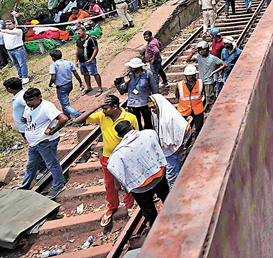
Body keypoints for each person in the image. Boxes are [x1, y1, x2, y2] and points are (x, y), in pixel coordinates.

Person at [74, 94, 139, 226]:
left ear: (115, 107)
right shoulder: (101, 116)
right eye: (102, 108)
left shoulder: (130, 118)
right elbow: (77, 121)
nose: (103, 111)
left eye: (106, 108)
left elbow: (136, 135)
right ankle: (112, 207)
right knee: (109, 184)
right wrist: (97, 107)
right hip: (108, 157)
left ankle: (129, 204)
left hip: (125, 156)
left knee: (127, 181)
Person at [107, 121, 169, 228]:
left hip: (139, 186)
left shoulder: (117, 153)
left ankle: (157, 229)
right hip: (157, 175)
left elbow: (113, 168)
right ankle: (174, 217)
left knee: (148, 210)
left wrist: (118, 185)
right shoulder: (149, 133)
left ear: (119, 135)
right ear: (132, 126)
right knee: (167, 198)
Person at [19, 88, 68, 198]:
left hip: (45, 142)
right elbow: (28, 119)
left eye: (31, 100)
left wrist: (52, 131)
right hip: (34, 143)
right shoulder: (29, 106)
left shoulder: (46, 107)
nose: (28, 103)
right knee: (31, 166)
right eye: (26, 101)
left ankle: (58, 186)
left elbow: (63, 119)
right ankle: (23, 187)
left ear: (39, 97)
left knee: (52, 164)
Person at [148, 94, 190, 188]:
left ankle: (175, 195)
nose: (152, 110)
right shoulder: (157, 115)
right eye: (150, 108)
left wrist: (179, 146)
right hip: (166, 150)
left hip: (173, 150)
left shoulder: (170, 117)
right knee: (174, 172)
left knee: (172, 176)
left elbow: (185, 129)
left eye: (154, 107)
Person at [120, 57, 159, 130]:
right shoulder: (128, 75)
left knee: (148, 122)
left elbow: (154, 88)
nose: (130, 68)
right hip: (132, 103)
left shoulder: (148, 74)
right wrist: (125, 82)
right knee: (136, 123)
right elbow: (122, 89)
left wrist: (155, 102)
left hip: (145, 103)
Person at [48, 49, 83, 119]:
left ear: (53, 58)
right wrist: (80, 82)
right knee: (64, 102)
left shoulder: (53, 65)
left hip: (61, 87)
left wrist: (50, 83)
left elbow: (53, 77)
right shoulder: (69, 63)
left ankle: (78, 115)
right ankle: (67, 116)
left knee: (65, 105)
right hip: (69, 84)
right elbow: (75, 73)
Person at [189, 41, 225, 108]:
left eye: (203, 49)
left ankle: (210, 111)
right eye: (200, 50)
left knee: (209, 98)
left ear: (207, 49)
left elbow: (224, 64)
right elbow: (187, 60)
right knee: (204, 96)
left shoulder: (212, 58)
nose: (201, 51)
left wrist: (214, 72)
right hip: (201, 81)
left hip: (209, 81)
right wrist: (192, 53)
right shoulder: (198, 57)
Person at [176, 64, 204, 135]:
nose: (191, 77)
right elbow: (177, 96)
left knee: (199, 128)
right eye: (189, 75)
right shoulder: (179, 85)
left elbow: (203, 94)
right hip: (184, 110)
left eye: (192, 75)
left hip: (197, 110)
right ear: (185, 75)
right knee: (184, 129)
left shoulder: (200, 83)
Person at [75, 25, 103, 95]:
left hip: (89, 61)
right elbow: (77, 50)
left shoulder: (91, 39)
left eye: (79, 33)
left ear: (84, 31)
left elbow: (95, 49)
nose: (77, 35)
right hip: (81, 62)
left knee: (95, 73)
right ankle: (89, 87)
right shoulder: (78, 40)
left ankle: (99, 88)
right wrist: (76, 60)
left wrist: (91, 59)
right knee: (85, 74)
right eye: (76, 34)